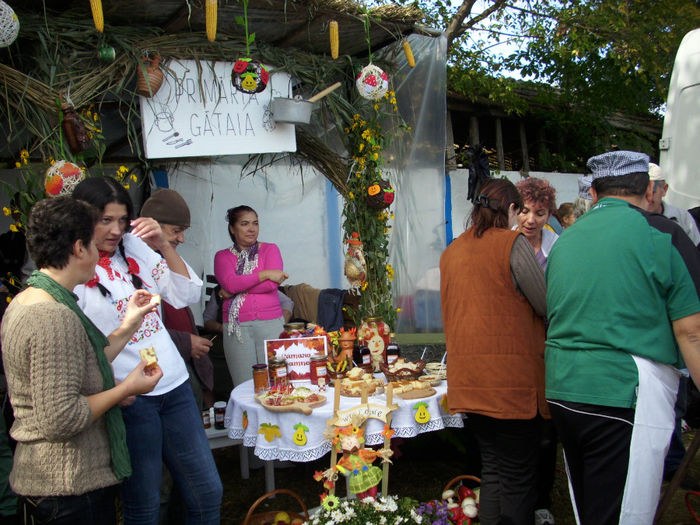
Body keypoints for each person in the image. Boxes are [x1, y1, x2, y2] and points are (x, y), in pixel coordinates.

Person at [545, 151, 700, 524]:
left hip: (564, 388)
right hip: (621, 392)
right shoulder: (661, 234)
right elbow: (691, 330)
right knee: (621, 510)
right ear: (648, 190)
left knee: (590, 503)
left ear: (594, 194)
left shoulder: (565, 238)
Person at [1, 196, 163, 524]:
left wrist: (129, 323)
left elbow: (85, 363)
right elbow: (61, 418)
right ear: (78, 248)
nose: (98, 253)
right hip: (66, 490)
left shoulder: (32, 299)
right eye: (92, 244)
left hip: (58, 487)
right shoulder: (51, 316)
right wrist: (125, 388)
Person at [72, 177, 222, 525]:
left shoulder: (134, 247)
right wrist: (111, 390)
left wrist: (163, 246)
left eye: (122, 220)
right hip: (131, 394)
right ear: (82, 217)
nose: (115, 230)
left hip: (175, 385)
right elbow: (83, 348)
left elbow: (183, 296)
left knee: (207, 490)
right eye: (105, 220)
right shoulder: (76, 267)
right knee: (146, 502)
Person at [441, 178, 548, 525]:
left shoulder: (452, 250)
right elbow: (545, 303)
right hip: (511, 385)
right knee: (517, 476)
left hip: (470, 382)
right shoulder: (512, 244)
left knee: (493, 469)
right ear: (512, 210)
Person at [140, 188, 214, 411]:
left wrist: (165, 246)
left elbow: (188, 293)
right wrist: (184, 341)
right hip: (146, 364)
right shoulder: (127, 261)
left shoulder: (158, 259)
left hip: (171, 356)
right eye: (176, 231)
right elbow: (141, 329)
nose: (181, 238)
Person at [214, 206, 288, 387]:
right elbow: (230, 283)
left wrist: (234, 289)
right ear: (232, 228)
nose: (251, 229)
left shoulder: (270, 250)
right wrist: (264, 274)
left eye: (255, 223)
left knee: (277, 381)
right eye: (244, 224)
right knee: (244, 385)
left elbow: (272, 285)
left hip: (271, 324)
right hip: (237, 328)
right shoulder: (222, 256)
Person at [646, 162, 700, 246]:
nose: (648, 198)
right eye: (642, 193)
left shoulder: (682, 217)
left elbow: (695, 252)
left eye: (653, 192)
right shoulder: (627, 217)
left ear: (664, 189)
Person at [515, 177, 559, 270]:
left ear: (548, 216)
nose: (531, 220)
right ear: (515, 210)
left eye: (539, 214)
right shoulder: (503, 242)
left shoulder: (556, 245)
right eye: (524, 211)